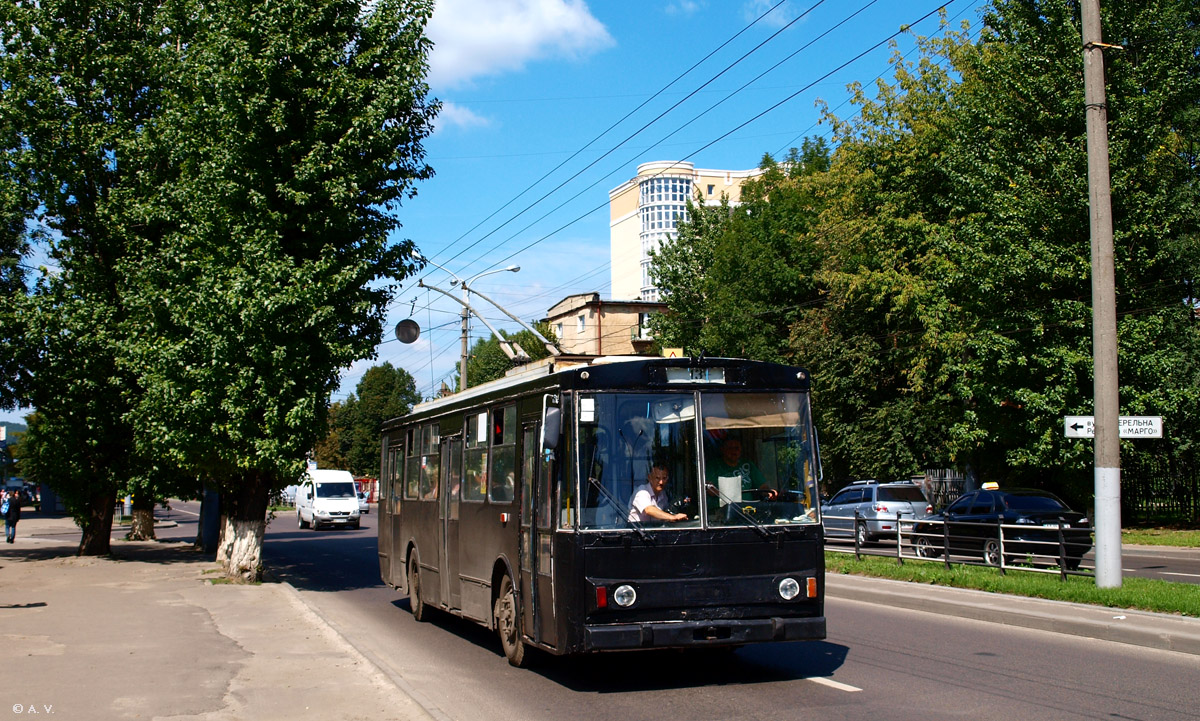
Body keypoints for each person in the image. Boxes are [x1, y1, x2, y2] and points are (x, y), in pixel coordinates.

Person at [706, 437, 777, 500]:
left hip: (747, 510)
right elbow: (709, 489)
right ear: (722, 450)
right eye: (730, 448)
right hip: (720, 511)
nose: (734, 451)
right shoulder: (712, 466)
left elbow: (762, 486)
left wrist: (769, 492)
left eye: (736, 448)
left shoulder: (747, 464)